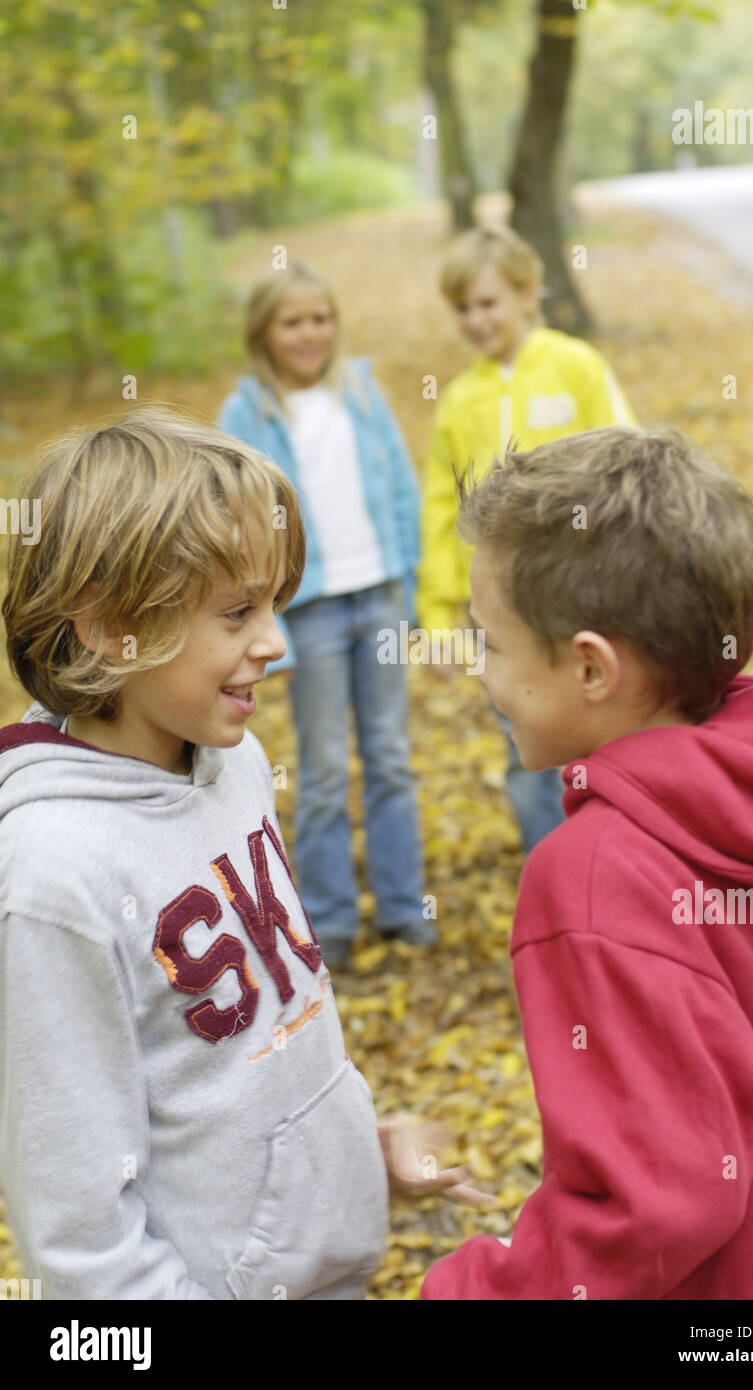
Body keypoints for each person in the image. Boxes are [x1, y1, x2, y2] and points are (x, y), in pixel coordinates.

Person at [0, 409, 491, 1301]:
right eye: (237, 613)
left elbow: (251, 1036)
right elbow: (77, 1236)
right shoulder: (49, 876)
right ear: (113, 626)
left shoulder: (234, 760)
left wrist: (356, 1160)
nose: (275, 642)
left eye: (275, 605)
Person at [420, 426, 753, 1299]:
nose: (481, 672)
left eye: (491, 643)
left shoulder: (595, 876)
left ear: (590, 667)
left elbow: (656, 1200)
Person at [218, 263, 432, 970]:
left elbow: (401, 485)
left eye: (319, 318)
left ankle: (404, 908)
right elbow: (234, 516)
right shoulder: (246, 412)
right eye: (291, 322)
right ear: (264, 334)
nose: (309, 334)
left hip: (378, 597)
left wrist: (408, 586)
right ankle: (331, 920)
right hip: (307, 609)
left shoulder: (361, 391)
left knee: (390, 757)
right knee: (321, 769)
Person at [417, 224, 638, 856]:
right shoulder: (459, 401)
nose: (476, 320)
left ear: (527, 293)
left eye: (488, 303)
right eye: (463, 308)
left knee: (609, 737)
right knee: (529, 749)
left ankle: (623, 861)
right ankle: (558, 874)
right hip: (503, 614)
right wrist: (435, 618)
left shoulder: (576, 366)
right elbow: (439, 511)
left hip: (586, 600)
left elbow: (627, 466)